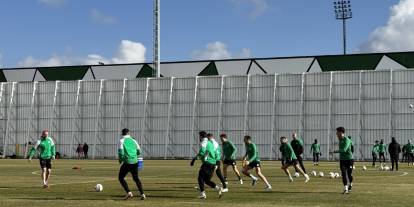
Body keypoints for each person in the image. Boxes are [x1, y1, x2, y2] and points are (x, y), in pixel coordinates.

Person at [190, 131, 222, 199]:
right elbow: (212, 152)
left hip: (207, 163)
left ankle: (203, 194)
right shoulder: (210, 143)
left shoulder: (204, 141)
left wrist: (194, 159)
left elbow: (202, 152)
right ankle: (218, 188)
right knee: (207, 181)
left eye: (199, 136)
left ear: (201, 136)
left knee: (200, 178)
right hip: (212, 163)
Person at [118, 128, 145, 200]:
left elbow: (121, 152)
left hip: (127, 162)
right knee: (136, 178)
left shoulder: (121, 141)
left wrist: (120, 160)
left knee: (121, 178)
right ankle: (142, 194)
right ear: (128, 133)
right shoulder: (134, 140)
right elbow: (139, 151)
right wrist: (134, 155)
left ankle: (129, 193)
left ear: (122, 133)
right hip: (135, 162)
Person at [333, 127, 353, 194]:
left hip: (349, 159)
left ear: (341, 132)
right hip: (342, 160)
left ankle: (351, 184)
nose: (336, 134)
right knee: (343, 174)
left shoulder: (347, 140)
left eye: (337, 132)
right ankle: (346, 188)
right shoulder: (340, 140)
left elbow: (344, 150)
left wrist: (334, 151)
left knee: (349, 174)